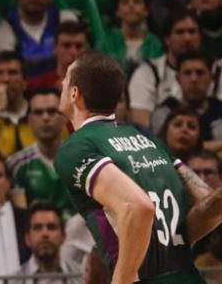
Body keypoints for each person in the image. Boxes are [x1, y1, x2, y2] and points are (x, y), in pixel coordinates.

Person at [56, 50, 210, 283]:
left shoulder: (75, 147)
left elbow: (139, 207)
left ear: (75, 93)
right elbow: (208, 201)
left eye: (66, 79)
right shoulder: (148, 141)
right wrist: (175, 245)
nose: (61, 83)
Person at [6, 89, 72, 215]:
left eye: (52, 111)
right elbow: (21, 214)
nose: (45, 117)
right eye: (38, 112)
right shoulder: (16, 165)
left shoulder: (83, 159)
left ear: (64, 117)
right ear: (30, 120)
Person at [16, 200, 82, 281]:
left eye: (51, 227)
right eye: (38, 228)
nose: (45, 234)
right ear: (27, 239)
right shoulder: (13, 281)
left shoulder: (83, 278)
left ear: (63, 236)